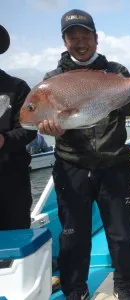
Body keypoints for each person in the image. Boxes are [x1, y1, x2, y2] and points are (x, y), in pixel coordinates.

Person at [38, 9, 130, 300]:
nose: (80, 42)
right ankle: (76, 289)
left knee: (121, 233)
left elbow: (127, 110)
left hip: (113, 163)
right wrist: (50, 128)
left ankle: (124, 287)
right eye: (72, 37)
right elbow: (46, 123)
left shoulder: (116, 72)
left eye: (85, 35)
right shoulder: (52, 80)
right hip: (71, 165)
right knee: (73, 234)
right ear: (64, 42)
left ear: (96, 38)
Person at [0, 24, 37, 230]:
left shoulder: (17, 87)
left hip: (12, 185)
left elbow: (30, 129)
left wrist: (5, 140)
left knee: (15, 242)